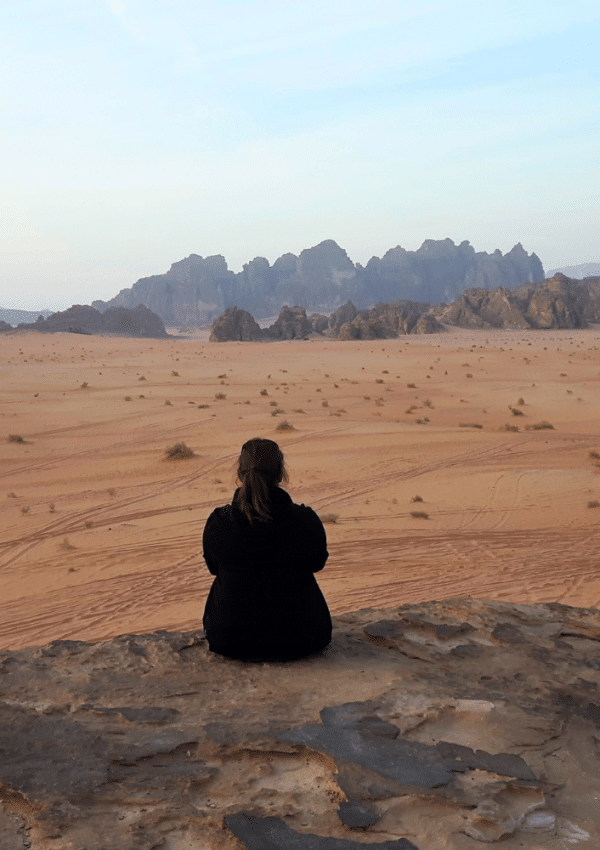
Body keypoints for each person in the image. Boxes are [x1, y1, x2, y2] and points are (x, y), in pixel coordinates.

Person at [202, 437, 332, 662]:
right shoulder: (304, 520)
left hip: (231, 639)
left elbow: (214, 568)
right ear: (281, 474)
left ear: (241, 474)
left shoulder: (220, 522)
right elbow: (317, 563)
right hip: (304, 637)